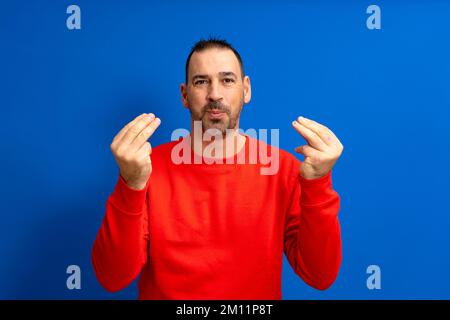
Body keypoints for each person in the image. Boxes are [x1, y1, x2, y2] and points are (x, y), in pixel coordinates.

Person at [91, 38, 344, 299]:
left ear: (246, 90)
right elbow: (112, 277)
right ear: (184, 95)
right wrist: (130, 185)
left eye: (227, 80)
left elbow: (320, 275)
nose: (214, 94)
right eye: (201, 81)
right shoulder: (146, 169)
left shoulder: (283, 169)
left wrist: (318, 183)